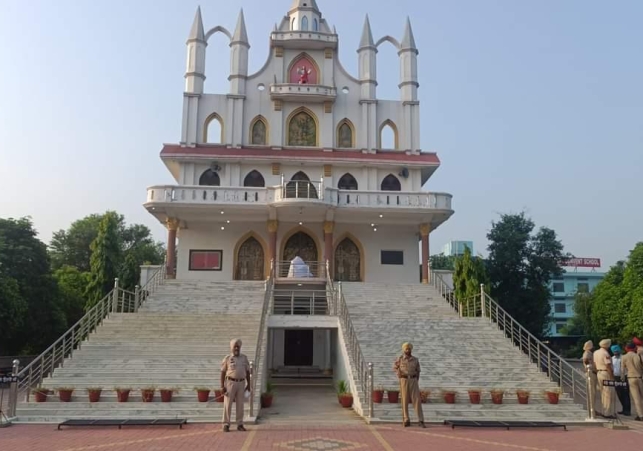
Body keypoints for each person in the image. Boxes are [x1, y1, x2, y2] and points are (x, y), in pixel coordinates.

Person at [220, 338, 251, 432]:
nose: (237, 348)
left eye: (238, 346)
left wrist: (249, 384)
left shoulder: (244, 358)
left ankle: (240, 424)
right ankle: (226, 424)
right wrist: (222, 386)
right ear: (231, 348)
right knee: (227, 404)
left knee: (240, 404)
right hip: (230, 383)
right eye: (235, 346)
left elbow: (247, 371)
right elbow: (222, 373)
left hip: (241, 383)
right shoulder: (227, 358)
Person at [393, 342, 425, 428]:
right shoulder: (400, 359)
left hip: (413, 379)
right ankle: (406, 419)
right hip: (404, 379)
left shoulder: (415, 359)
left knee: (417, 400)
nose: (408, 350)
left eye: (409, 349)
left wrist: (416, 379)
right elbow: (395, 367)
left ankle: (420, 420)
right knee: (404, 400)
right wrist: (398, 373)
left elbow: (418, 370)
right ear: (404, 350)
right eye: (406, 349)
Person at [594, 339, 616, 419]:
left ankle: (604, 411)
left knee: (603, 393)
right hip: (606, 373)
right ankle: (607, 413)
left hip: (599, 373)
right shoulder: (605, 353)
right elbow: (608, 366)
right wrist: (612, 377)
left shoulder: (596, 352)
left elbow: (595, 364)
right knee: (608, 393)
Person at [622, 343, 643, 421]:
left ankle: (640, 415)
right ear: (634, 348)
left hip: (630, 377)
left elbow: (622, 369)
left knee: (636, 398)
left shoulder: (624, 357)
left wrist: (622, 378)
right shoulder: (638, 355)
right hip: (640, 377)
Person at [582, 340, 602, 417]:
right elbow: (586, 360)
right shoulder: (587, 353)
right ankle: (592, 410)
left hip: (592, 372)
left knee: (593, 393)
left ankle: (593, 409)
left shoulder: (589, 353)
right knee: (591, 392)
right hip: (590, 372)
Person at [611, 344, 630, 416]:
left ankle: (627, 410)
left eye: (617, 351)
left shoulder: (623, 357)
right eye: (614, 352)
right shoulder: (612, 358)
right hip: (615, 377)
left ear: (619, 351)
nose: (616, 353)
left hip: (623, 377)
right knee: (619, 394)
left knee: (625, 393)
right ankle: (623, 408)